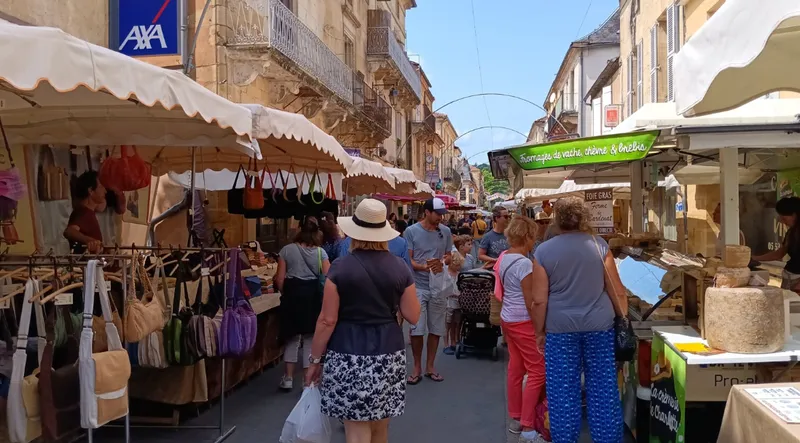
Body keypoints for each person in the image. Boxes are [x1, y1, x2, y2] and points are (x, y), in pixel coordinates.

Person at [305, 199, 420, 443]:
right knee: (380, 426)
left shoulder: (340, 267)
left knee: (355, 428)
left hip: (347, 351)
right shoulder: (399, 268)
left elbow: (327, 320)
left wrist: (315, 361)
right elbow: (413, 315)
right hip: (388, 351)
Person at [530, 198, 626, 442]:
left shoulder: (543, 251)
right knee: (603, 388)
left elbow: (539, 300)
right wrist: (623, 321)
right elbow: (617, 290)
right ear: (583, 218)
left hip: (560, 330)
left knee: (562, 392)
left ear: (556, 219)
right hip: (599, 327)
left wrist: (539, 332)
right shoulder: (599, 245)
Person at [497, 216, 546, 443]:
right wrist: (540, 330)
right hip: (522, 321)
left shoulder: (505, 257)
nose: (534, 241)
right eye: (533, 236)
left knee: (515, 369)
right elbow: (531, 302)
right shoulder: (525, 264)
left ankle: (515, 416)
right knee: (537, 371)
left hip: (508, 318)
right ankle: (527, 428)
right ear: (527, 236)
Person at [275, 216, 330, 391]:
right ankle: (307, 380)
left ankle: (288, 378)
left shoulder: (286, 250)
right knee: (309, 338)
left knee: (291, 337)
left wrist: (286, 292)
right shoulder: (321, 253)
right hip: (312, 297)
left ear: (299, 230)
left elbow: (280, 278)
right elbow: (329, 277)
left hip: (292, 295)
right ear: (316, 233)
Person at [403, 197, 452, 384]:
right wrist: (424, 267)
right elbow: (409, 260)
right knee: (417, 329)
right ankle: (417, 366)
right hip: (418, 285)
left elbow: (448, 255)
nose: (440, 217)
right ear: (427, 213)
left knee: (436, 328)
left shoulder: (445, 231)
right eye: (437, 214)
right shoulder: (411, 231)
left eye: (441, 214)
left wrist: (443, 262)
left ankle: (430, 366)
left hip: (438, 286)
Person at [63, 171, 125, 254]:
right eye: (101, 187)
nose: (105, 191)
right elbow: (69, 231)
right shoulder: (83, 212)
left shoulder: (88, 212)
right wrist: (89, 240)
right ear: (91, 191)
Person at [753, 196, 800, 291]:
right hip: (788, 277)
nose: (782, 222)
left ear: (795, 215)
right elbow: (779, 253)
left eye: (784, 218)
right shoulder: (791, 232)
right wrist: (754, 258)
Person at [443, 236, 476, 355]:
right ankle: (446, 343)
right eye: (457, 266)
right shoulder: (446, 273)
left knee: (457, 322)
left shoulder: (458, 274)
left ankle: (454, 341)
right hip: (449, 302)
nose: (459, 269)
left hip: (457, 301)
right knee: (448, 323)